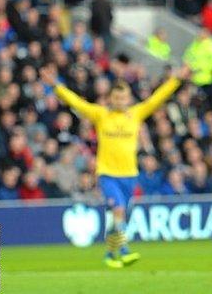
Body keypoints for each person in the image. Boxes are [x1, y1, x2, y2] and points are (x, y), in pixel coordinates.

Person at [40, 64, 191, 268]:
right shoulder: (101, 115)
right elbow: (76, 102)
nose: (120, 101)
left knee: (118, 218)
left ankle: (110, 255)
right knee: (118, 210)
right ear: (111, 98)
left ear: (128, 99)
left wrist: (177, 79)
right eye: (117, 97)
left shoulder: (136, 114)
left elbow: (158, 98)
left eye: (124, 98)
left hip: (129, 174)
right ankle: (125, 250)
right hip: (107, 174)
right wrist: (56, 86)